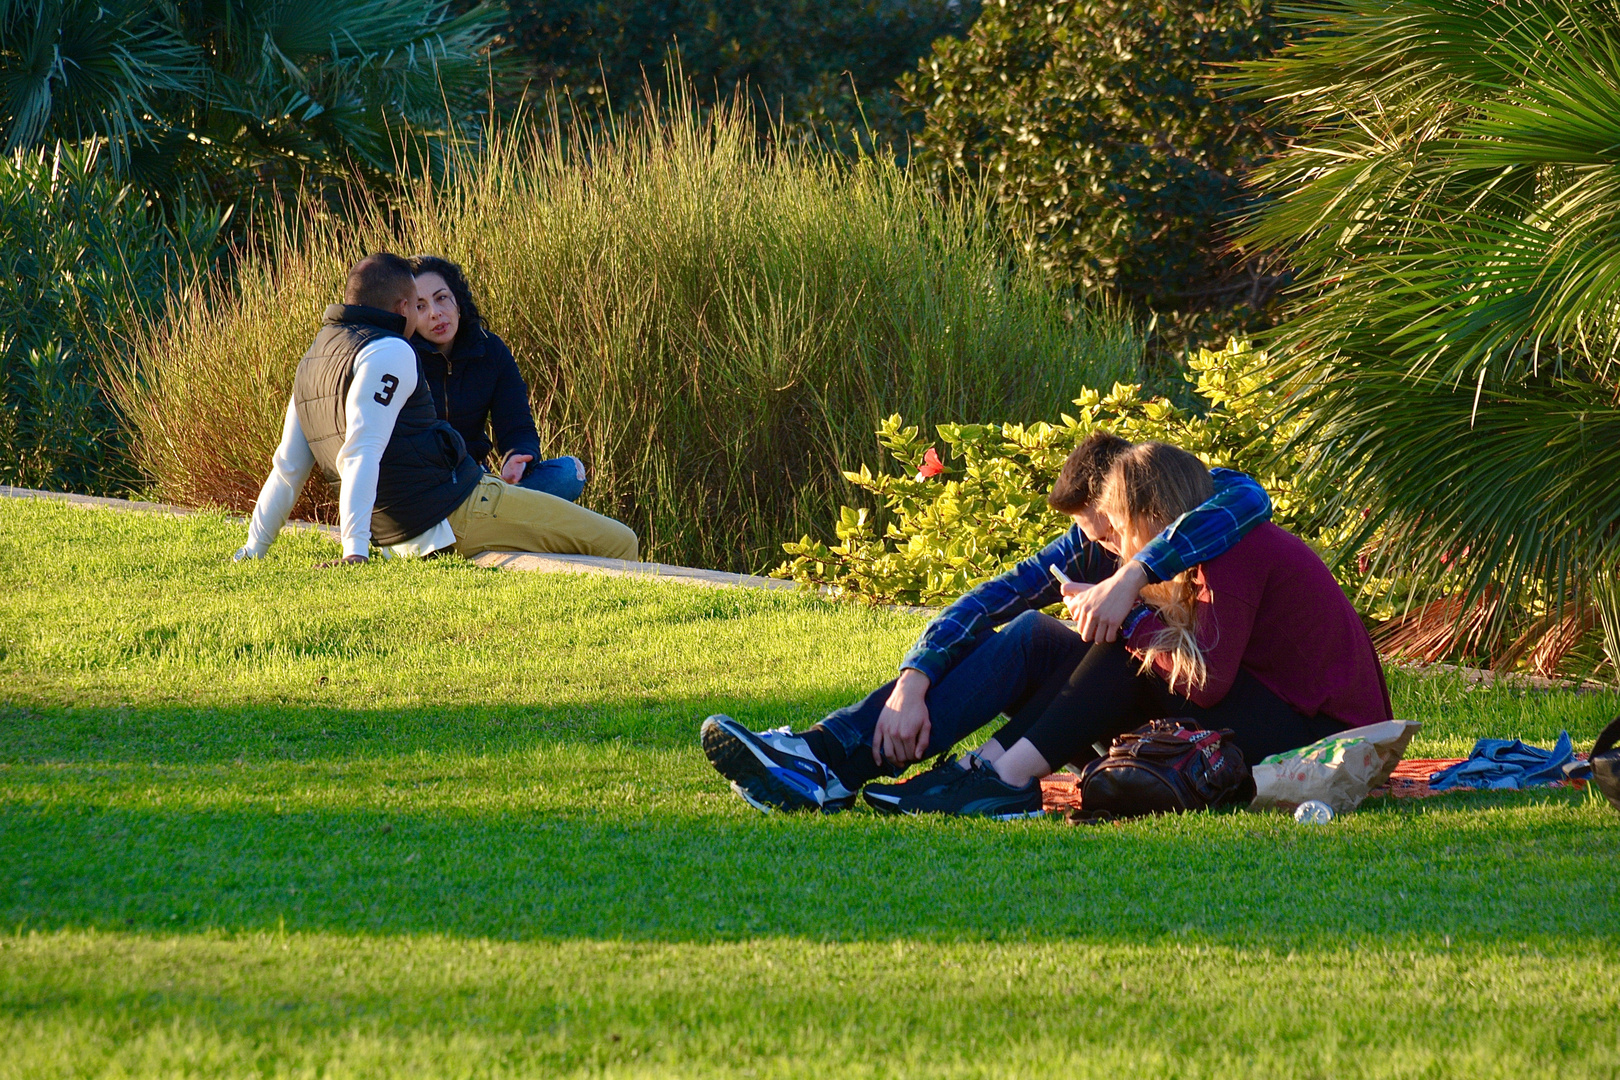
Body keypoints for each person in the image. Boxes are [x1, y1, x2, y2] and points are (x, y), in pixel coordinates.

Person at [700, 432, 1275, 814]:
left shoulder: (1209, 503)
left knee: (1112, 644)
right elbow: (987, 601)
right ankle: (826, 759)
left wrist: (1130, 583)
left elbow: (1249, 498)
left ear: (1131, 500)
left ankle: (994, 779)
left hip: (1211, 718)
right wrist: (913, 680)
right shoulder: (1090, 544)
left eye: (1106, 531)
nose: (1107, 547)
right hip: (1155, 698)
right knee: (1025, 633)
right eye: (1099, 537)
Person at [863, 441, 1393, 820]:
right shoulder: (1196, 552)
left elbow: (1207, 681)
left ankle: (1003, 780)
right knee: (1042, 637)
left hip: (1324, 737)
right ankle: (987, 769)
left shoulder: (1234, 551)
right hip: (1272, 710)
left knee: (1124, 651)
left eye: (1118, 529)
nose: (1115, 546)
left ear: (1154, 514)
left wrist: (1131, 619)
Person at [232, 253, 638, 566]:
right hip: (454, 511)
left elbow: (287, 468)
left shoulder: (313, 360)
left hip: (413, 522)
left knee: (562, 481)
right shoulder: (391, 350)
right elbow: (361, 450)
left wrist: (253, 549)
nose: (426, 314)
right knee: (623, 541)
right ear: (401, 307)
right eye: (416, 304)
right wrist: (354, 552)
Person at [409, 255, 588, 502]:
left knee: (568, 474)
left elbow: (516, 422)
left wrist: (518, 456)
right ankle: (494, 520)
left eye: (441, 298)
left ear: (458, 301)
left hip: (477, 482)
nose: (435, 314)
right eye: (420, 306)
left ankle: (493, 516)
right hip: (425, 493)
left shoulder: (489, 349)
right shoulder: (401, 358)